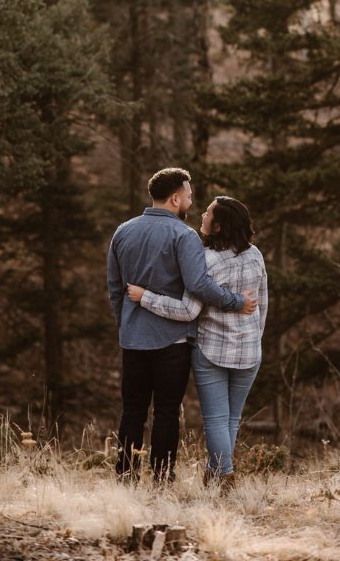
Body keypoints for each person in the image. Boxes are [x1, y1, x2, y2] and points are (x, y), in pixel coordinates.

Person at [107, 168, 257, 483]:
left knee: (132, 411)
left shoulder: (123, 231)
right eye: (188, 196)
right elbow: (199, 285)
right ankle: (162, 477)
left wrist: (127, 326)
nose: (191, 201)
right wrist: (234, 301)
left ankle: (126, 476)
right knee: (166, 412)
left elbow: (115, 289)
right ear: (176, 198)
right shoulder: (184, 236)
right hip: (172, 342)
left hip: (133, 340)